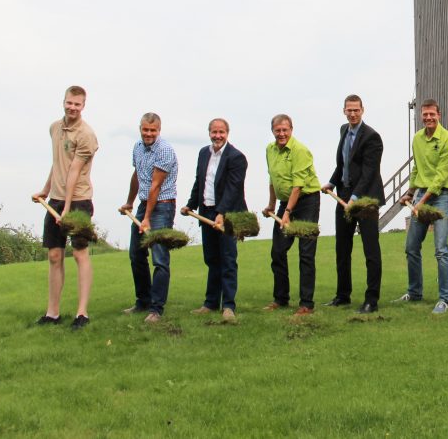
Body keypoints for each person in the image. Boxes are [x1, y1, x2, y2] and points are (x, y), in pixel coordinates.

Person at [31, 85, 99, 329]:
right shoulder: (55, 128)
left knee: (80, 253)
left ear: (83, 106)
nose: (72, 107)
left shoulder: (86, 136)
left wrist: (67, 208)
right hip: (57, 198)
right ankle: (53, 313)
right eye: (69, 103)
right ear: (64, 102)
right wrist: (46, 190)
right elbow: (58, 163)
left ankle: (82, 313)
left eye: (77, 104)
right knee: (54, 255)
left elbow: (73, 171)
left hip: (78, 199)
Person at [321, 95, 385, 314]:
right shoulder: (343, 130)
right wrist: (331, 181)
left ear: (362, 110)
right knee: (342, 248)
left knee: (370, 250)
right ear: (344, 111)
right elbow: (343, 164)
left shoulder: (372, 137)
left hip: (365, 199)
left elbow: (369, 173)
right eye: (349, 110)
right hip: (344, 195)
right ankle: (343, 295)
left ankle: (371, 300)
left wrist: (354, 200)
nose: (352, 113)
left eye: (356, 110)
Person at [398, 99, 448, 315]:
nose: (428, 118)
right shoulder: (417, 139)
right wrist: (409, 192)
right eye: (425, 115)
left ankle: (444, 299)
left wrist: (421, 202)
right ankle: (414, 292)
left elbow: (441, 176)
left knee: (441, 249)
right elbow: (417, 169)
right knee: (411, 247)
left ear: (439, 115)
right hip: (422, 193)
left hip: (441, 195)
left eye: (432, 114)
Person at [182, 118, 247, 323]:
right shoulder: (203, 153)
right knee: (212, 259)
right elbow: (200, 181)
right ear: (209, 133)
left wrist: (221, 212)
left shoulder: (237, 157)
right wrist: (191, 204)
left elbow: (232, 189)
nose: (217, 136)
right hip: (206, 212)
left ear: (227, 133)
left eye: (221, 132)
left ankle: (228, 306)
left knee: (228, 259)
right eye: (214, 132)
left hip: (226, 215)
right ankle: (210, 303)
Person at [119, 113, 179, 323]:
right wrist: (129, 202)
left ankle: (156, 308)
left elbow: (155, 186)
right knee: (136, 254)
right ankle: (143, 301)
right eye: (145, 129)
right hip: (145, 203)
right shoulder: (137, 147)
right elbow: (138, 176)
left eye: (153, 130)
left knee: (160, 259)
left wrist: (146, 218)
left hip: (162, 206)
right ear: (140, 128)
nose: (149, 134)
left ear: (159, 130)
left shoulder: (165, 150)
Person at [263, 114, 321, 316]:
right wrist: (271, 205)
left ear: (291, 130)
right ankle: (281, 298)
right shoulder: (270, 150)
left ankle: (306, 304)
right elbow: (273, 179)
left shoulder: (300, 151)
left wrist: (287, 213)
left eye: (285, 130)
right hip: (284, 202)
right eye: (277, 130)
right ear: (272, 131)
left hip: (306, 202)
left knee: (306, 252)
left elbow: (298, 186)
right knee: (278, 250)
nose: (281, 134)